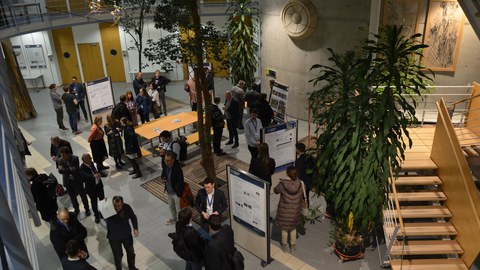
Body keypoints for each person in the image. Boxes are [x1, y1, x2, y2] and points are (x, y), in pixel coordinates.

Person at [273, 166, 303, 254]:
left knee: (284, 229)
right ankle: (293, 246)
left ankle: (284, 246)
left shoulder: (283, 184)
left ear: (287, 173)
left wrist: (283, 180)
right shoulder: (301, 183)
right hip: (295, 210)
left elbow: (275, 190)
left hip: (284, 211)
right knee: (293, 228)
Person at [106, 196, 139, 270]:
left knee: (131, 253)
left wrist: (135, 228)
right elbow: (100, 215)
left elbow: (133, 217)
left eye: (119, 206)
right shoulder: (108, 209)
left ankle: (132, 267)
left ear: (122, 204)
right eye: (115, 205)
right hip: (114, 237)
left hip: (126, 235)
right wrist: (104, 206)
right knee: (118, 256)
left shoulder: (127, 207)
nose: (116, 208)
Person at [57, 146, 90, 216]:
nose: (62, 157)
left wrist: (65, 170)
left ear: (68, 154)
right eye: (61, 155)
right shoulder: (60, 160)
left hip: (77, 181)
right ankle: (76, 209)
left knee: (83, 195)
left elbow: (75, 169)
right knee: (72, 197)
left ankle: (87, 208)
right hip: (68, 182)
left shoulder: (75, 158)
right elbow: (60, 171)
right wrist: (69, 169)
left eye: (63, 155)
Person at [79, 153, 105, 224]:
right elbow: (85, 176)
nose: (91, 159)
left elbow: (94, 171)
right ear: (85, 160)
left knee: (102, 200)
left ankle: (104, 212)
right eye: (89, 158)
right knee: (94, 203)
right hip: (91, 189)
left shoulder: (91, 163)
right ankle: (96, 215)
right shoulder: (81, 168)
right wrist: (94, 176)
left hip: (99, 186)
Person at [162, 151, 184, 225]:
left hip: (176, 193)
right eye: (165, 160)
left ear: (173, 160)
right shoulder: (165, 166)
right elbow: (163, 175)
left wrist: (179, 194)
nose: (166, 162)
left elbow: (181, 182)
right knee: (171, 207)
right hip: (169, 191)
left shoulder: (177, 169)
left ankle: (179, 222)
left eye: (168, 160)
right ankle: (174, 219)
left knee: (178, 209)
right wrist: (163, 178)